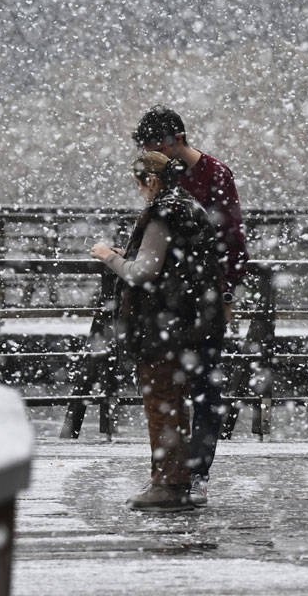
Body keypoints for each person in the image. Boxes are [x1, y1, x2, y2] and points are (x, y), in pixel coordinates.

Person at [91, 151, 225, 513]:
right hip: (187, 323)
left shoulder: (163, 211)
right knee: (176, 402)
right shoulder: (190, 207)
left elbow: (143, 273)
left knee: (161, 401)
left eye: (139, 184)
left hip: (161, 326)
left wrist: (108, 256)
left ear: (150, 180)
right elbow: (170, 263)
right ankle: (177, 479)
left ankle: (167, 483)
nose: (139, 192)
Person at [132, 105, 248, 506]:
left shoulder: (214, 175)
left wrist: (226, 293)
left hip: (203, 295)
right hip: (172, 299)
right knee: (170, 383)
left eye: (156, 146)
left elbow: (232, 240)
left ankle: (196, 469)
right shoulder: (168, 182)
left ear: (177, 140)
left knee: (204, 385)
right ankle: (174, 471)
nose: (153, 155)